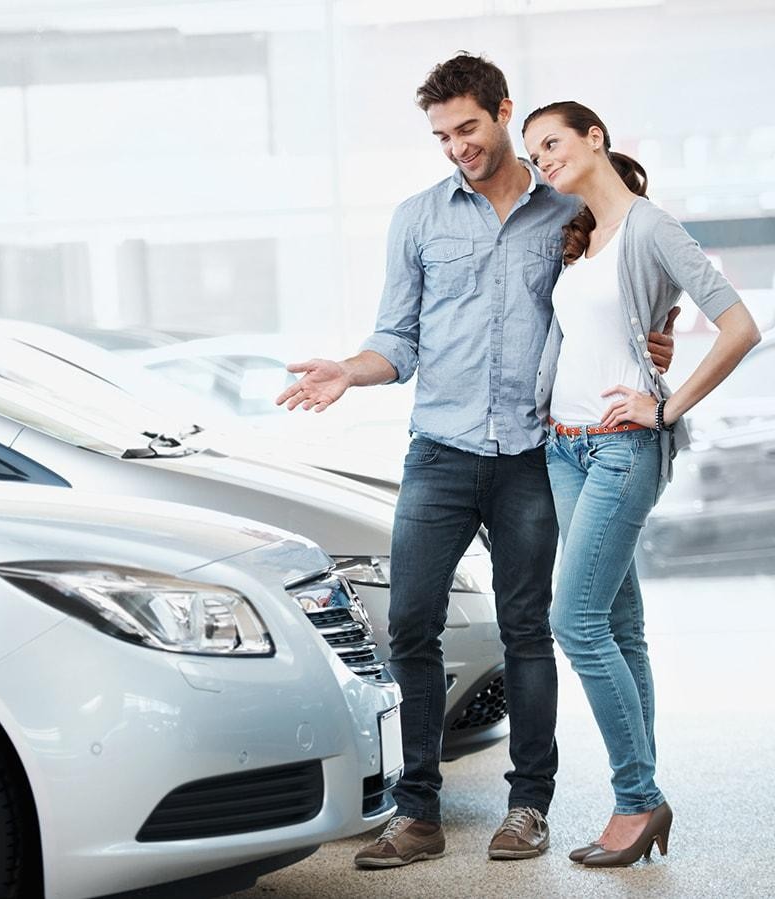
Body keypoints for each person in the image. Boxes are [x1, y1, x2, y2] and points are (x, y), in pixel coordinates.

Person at [273, 53, 678, 868]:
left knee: (530, 629)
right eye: (441, 135)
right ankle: (415, 812)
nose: (456, 145)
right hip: (441, 452)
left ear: (503, 112)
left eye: (468, 127)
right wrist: (349, 371)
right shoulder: (418, 219)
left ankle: (528, 806)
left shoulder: (566, 206)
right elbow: (398, 338)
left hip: (536, 453)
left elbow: (623, 292)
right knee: (412, 624)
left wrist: (651, 342)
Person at [519, 101, 760, 867]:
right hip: (566, 448)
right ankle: (642, 791)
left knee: (575, 621)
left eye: (552, 143)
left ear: (596, 138)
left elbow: (740, 326)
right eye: (535, 153)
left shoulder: (651, 227)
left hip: (624, 448)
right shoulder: (583, 240)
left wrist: (667, 404)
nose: (543, 160)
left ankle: (637, 799)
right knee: (619, 625)